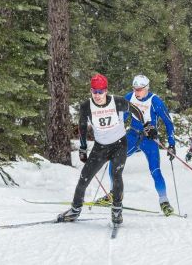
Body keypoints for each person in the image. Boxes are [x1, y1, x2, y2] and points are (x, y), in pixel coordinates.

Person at [58, 74, 143, 224]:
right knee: (84, 178)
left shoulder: (117, 102)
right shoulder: (86, 106)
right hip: (100, 148)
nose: (97, 95)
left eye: (100, 92)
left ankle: (117, 210)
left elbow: (136, 110)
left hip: (119, 145)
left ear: (106, 91)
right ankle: (75, 210)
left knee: (116, 175)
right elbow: (82, 127)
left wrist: (145, 126)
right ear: (91, 91)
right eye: (94, 91)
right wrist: (83, 148)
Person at [95, 74, 177, 216]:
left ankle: (164, 201)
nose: (137, 92)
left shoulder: (155, 101)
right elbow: (123, 117)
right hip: (132, 135)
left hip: (149, 140)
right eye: (135, 89)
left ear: (147, 88)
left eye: (140, 89)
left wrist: (171, 144)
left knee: (155, 171)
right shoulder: (130, 97)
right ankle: (113, 194)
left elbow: (168, 123)